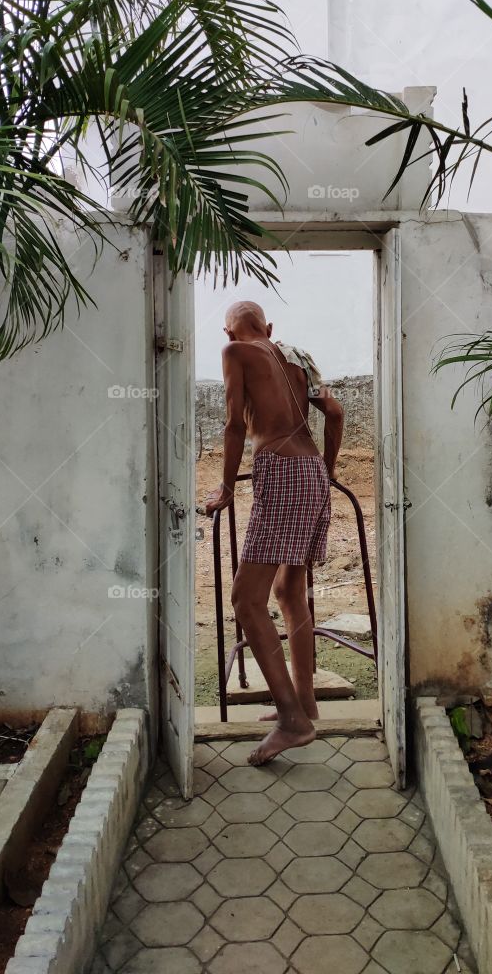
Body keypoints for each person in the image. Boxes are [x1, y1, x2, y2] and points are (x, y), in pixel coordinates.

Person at [204, 301, 344, 764]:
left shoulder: (235, 353)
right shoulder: (297, 357)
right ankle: (305, 702)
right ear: (269, 327)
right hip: (310, 474)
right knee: (288, 590)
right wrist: (325, 470)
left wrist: (226, 487)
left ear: (229, 331)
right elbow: (337, 413)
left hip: (281, 473)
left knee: (246, 599)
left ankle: (292, 721)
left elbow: (233, 426)